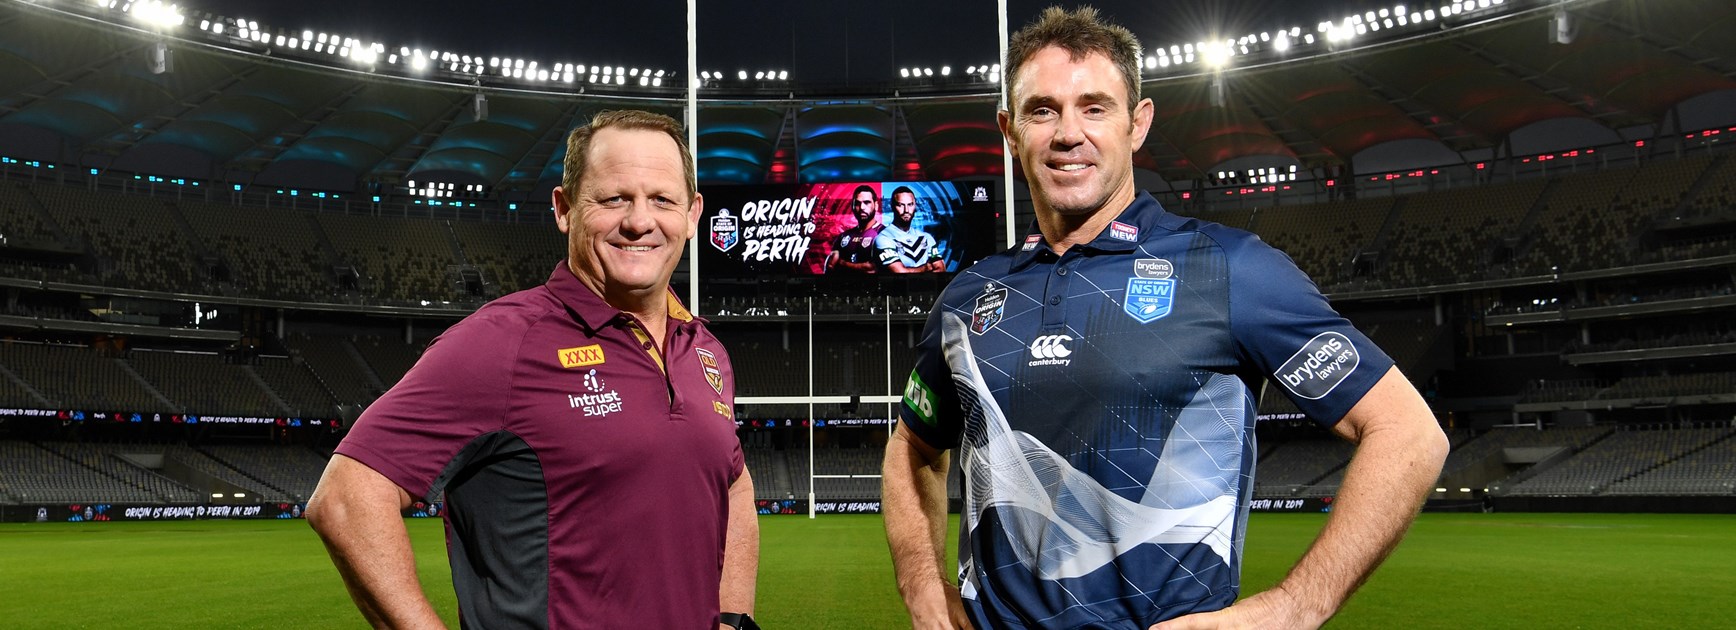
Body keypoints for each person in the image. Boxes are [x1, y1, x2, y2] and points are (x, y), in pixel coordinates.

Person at [881, 7, 1448, 630]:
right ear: (1010, 130)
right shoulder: (969, 296)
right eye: (1043, 110)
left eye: (1094, 107)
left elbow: (1409, 433)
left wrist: (1293, 608)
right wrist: (921, 585)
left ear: (1137, 124)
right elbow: (912, 447)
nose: (1069, 132)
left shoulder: (1229, 269)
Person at [307, 109, 759, 630]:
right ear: (565, 209)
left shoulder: (704, 349)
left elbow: (734, 482)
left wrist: (732, 617)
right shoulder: (501, 342)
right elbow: (345, 499)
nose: (640, 221)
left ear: (694, 214)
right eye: (614, 199)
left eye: (662, 200)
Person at [876, 186, 948, 273]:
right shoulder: (884, 238)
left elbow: (941, 269)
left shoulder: (926, 237)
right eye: (900, 205)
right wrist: (925, 268)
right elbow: (899, 272)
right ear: (892, 206)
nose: (906, 210)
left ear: (915, 206)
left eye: (910, 205)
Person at [827, 184, 884, 273]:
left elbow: (871, 269)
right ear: (852, 207)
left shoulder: (884, 234)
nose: (862, 207)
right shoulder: (843, 236)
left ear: (876, 205)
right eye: (857, 203)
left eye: (867, 202)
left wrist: (842, 263)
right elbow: (830, 267)